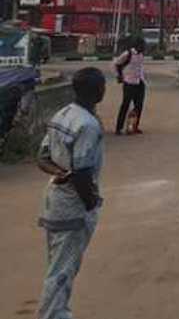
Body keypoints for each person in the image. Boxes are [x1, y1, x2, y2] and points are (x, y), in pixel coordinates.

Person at [36, 66, 106, 319]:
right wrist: (91, 203)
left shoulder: (62, 114)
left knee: (57, 266)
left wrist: (61, 172)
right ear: (98, 91)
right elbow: (83, 171)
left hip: (54, 201)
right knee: (62, 272)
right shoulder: (87, 125)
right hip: (73, 207)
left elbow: (43, 158)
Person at [113, 36, 146, 135]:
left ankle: (134, 126)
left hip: (139, 82)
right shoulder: (128, 54)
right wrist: (119, 76)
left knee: (139, 106)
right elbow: (116, 64)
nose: (143, 48)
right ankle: (119, 128)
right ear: (136, 45)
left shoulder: (141, 55)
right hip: (129, 82)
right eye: (142, 46)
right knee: (125, 105)